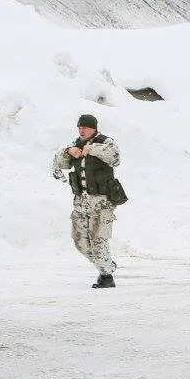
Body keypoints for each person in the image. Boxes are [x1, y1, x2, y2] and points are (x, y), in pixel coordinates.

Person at [51, 113, 122, 288]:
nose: (81, 130)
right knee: (79, 241)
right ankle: (106, 266)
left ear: (93, 128)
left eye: (84, 127)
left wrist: (93, 149)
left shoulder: (106, 142)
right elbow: (57, 164)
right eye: (79, 127)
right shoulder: (75, 144)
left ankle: (106, 277)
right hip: (81, 201)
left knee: (98, 239)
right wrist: (68, 152)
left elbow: (116, 158)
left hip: (102, 201)